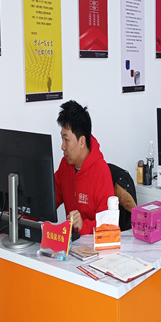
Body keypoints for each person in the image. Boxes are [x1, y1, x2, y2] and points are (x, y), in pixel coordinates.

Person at [55, 100, 114, 235]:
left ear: (82, 141)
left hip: (93, 245)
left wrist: (83, 226)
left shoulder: (101, 172)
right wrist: (22, 213)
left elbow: (108, 225)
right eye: (62, 139)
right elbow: (49, 200)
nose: (62, 146)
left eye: (66, 140)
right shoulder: (65, 165)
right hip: (71, 243)